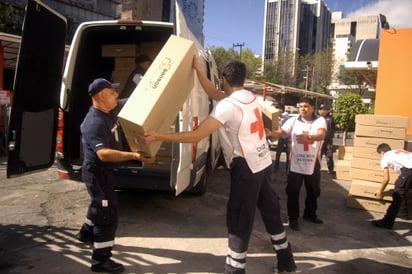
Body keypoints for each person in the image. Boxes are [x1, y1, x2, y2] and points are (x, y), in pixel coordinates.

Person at [142, 58, 296, 273]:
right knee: (270, 210)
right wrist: (198, 70)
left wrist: (159, 135)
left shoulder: (228, 106)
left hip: (246, 168)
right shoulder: (249, 97)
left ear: (223, 79)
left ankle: (234, 269)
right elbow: (215, 94)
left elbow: (197, 134)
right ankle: (286, 259)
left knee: (239, 219)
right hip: (262, 163)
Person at [77, 78, 154, 273]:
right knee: (107, 213)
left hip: (103, 172)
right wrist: (134, 155)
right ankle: (100, 261)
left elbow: (128, 101)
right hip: (97, 172)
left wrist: (151, 88)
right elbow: (103, 154)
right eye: (112, 93)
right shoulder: (94, 122)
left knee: (98, 203)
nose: (116, 96)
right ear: (101, 96)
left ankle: (86, 234)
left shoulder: (108, 109)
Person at [266, 97, 326, 231]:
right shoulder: (293, 120)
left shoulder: (319, 120)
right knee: (293, 191)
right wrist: (271, 133)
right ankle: (293, 217)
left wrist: (308, 137)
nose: (303, 109)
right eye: (301, 106)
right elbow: (282, 132)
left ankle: (310, 213)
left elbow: (321, 135)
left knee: (314, 190)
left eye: (306, 106)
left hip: (313, 162)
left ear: (312, 108)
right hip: (295, 162)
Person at [371, 143, 412, 229]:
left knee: (398, 193)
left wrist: (380, 191)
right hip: (409, 169)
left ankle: (389, 221)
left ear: (382, 153)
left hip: (409, 169)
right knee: (403, 187)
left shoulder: (386, 156)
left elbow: (386, 179)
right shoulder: (398, 151)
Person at [317, 104, 336, 175]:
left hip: (328, 140)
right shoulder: (316, 119)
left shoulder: (330, 118)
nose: (323, 111)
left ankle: (331, 169)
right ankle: (317, 169)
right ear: (319, 110)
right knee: (318, 155)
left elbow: (334, 127)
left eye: (325, 109)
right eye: (322, 109)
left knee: (329, 155)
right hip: (319, 140)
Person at [273, 103, 290, 172]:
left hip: (287, 137)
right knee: (278, 153)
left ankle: (287, 168)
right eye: (277, 108)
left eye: (280, 108)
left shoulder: (286, 114)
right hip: (281, 137)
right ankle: (276, 167)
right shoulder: (277, 117)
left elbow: (282, 116)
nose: (279, 110)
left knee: (288, 154)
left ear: (282, 109)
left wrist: (275, 114)